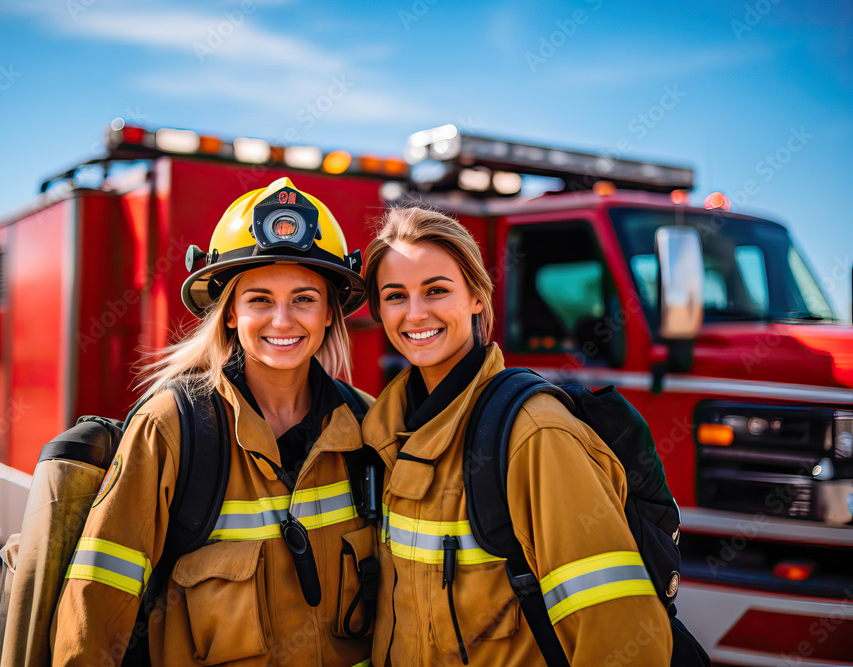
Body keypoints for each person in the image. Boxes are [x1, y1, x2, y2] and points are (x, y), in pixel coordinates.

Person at [51, 178, 377, 667]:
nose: (283, 320)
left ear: (331, 313)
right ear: (229, 315)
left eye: (304, 299)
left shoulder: (368, 426)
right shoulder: (173, 428)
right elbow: (97, 603)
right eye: (260, 300)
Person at [360, 206, 673, 665]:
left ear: (477, 299)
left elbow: (623, 636)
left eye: (437, 290)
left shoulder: (535, 433)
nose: (415, 313)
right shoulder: (383, 435)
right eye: (395, 296)